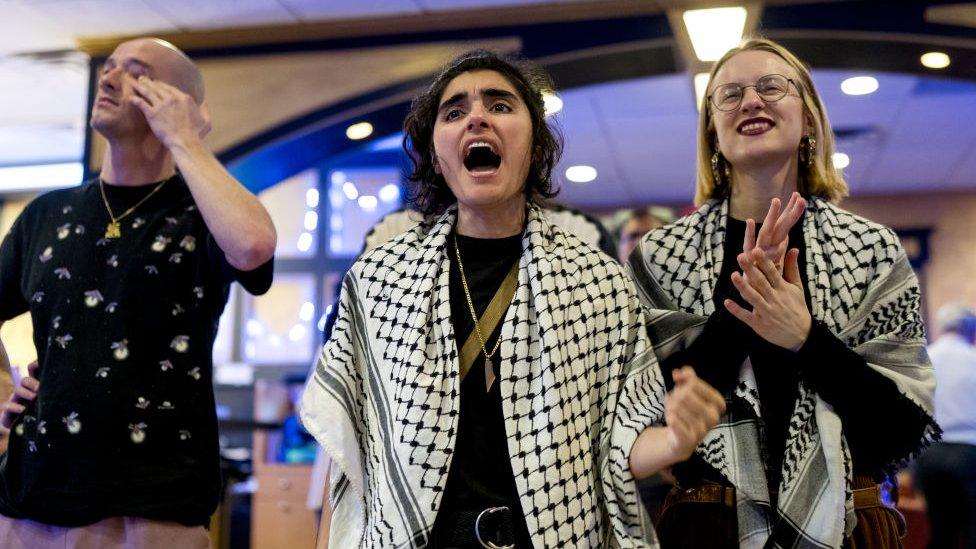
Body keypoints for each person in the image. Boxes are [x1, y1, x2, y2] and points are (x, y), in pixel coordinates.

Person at [300, 50, 726, 548]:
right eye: (454, 112)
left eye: (500, 105)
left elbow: (620, 445)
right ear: (437, 155)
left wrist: (677, 438)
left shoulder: (597, 281)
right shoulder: (379, 281)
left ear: (535, 145)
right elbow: (349, 452)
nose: (476, 116)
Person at [628, 37, 937, 548]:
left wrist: (806, 339)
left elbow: (900, 430)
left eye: (772, 87)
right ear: (713, 130)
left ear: (809, 118)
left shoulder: (873, 251)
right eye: (729, 94)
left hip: (852, 528)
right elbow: (645, 420)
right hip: (708, 527)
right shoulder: (660, 258)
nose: (751, 102)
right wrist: (745, 303)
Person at [0, 37, 275, 548]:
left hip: (155, 508)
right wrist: (8, 386)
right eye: (109, 67)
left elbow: (254, 247)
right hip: (29, 500)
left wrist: (186, 141)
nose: (108, 79)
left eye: (135, 71)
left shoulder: (202, 212)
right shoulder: (47, 214)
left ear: (180, 103)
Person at [914, 304, 976, 549]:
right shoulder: (973, 360)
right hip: (969, 454)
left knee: (940, 531)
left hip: (931, 455)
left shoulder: (923, 359)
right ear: (970, 331)